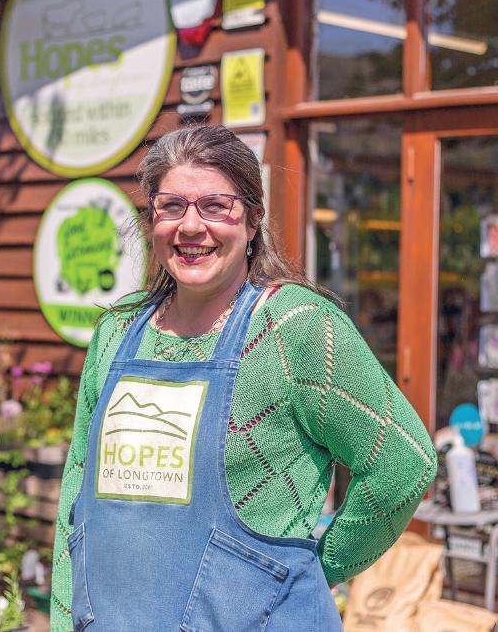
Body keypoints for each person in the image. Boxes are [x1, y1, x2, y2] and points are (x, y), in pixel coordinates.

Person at [50, 125, 437, 631]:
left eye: (216, 206)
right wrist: (64, 617)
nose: (191, 226)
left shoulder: (295, 327)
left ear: (253, 220)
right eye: (172, 206)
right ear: (152, 219)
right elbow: (76, 490)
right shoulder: (117, 331)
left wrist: (309, 572)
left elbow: (404, 465)